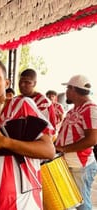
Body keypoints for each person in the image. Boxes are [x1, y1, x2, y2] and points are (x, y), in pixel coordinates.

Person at [0, 58, 55, 209]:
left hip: (25, 202)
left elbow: (49, 151)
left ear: (6, 83)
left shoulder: (22, 105)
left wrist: (6, 142)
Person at [55, 75, 97, 210]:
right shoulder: (74, 109)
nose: (66, 92)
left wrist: (63, 149)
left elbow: (92, 139)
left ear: (73, 89)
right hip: (71, 165)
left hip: (81, 166)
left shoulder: (90, 108)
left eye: (67, 88)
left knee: (82, 204)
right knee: (71, 203)